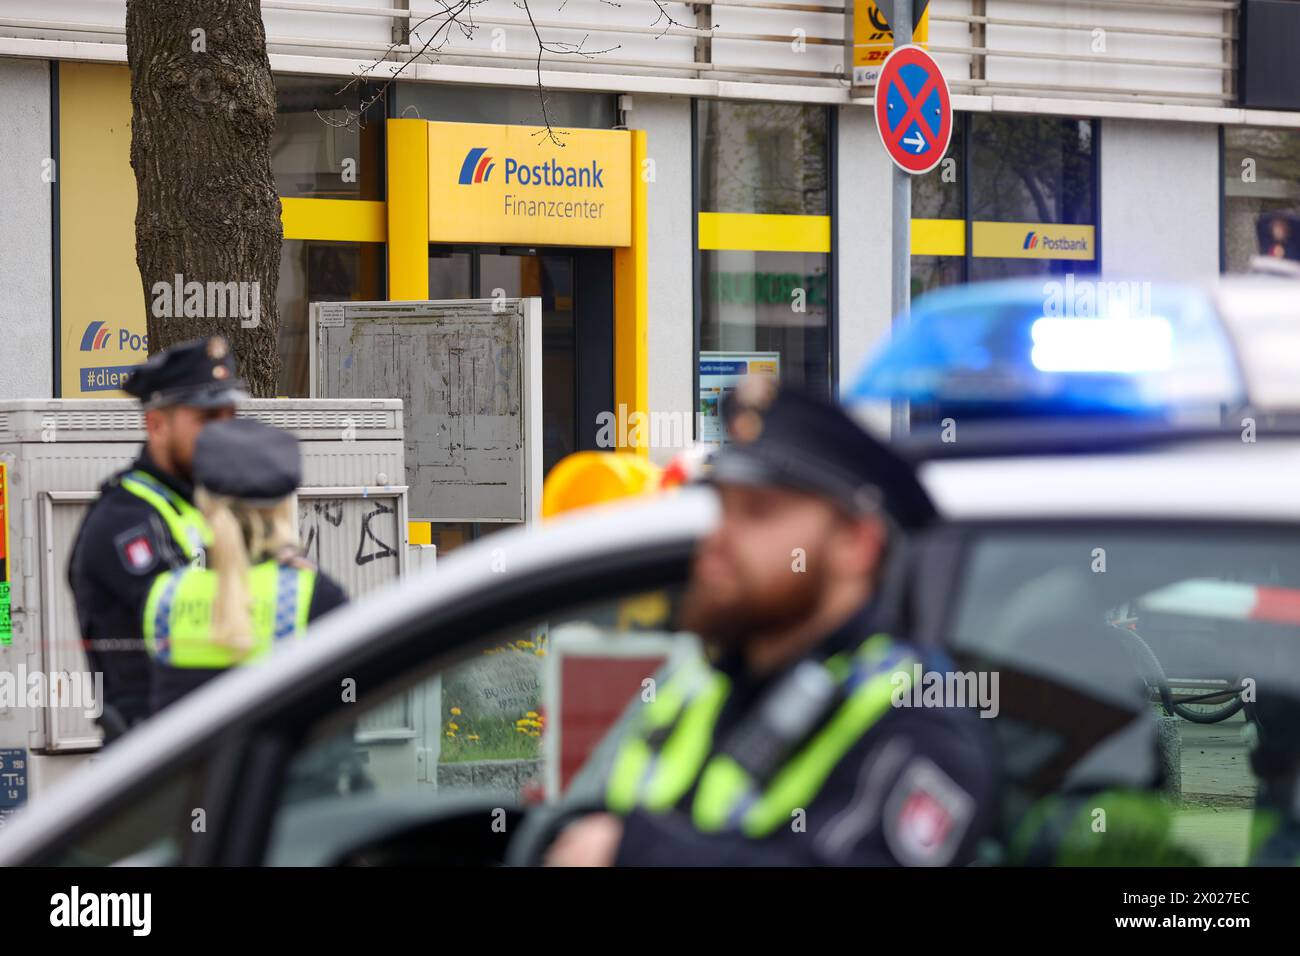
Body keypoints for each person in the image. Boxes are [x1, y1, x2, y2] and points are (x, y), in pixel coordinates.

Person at [545, 380, 1000, 866]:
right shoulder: (701, 686)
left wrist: (632, 851)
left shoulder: (920, 725)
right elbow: (606, 817)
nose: (718, 539)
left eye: (758, 513)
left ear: (856, 544)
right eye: (724, 508)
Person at [68, 336, 245, 738]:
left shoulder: (202, 506)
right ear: (156, 425)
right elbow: (201, 631)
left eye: (229, 416)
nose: (223, 432)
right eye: (205, 419)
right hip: (158, 762)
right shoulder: (126, 520)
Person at [141, 417, 348, 715]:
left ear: (203, 503)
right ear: (281, 507)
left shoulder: (164, 597)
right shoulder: (314, 596)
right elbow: (347, 701)